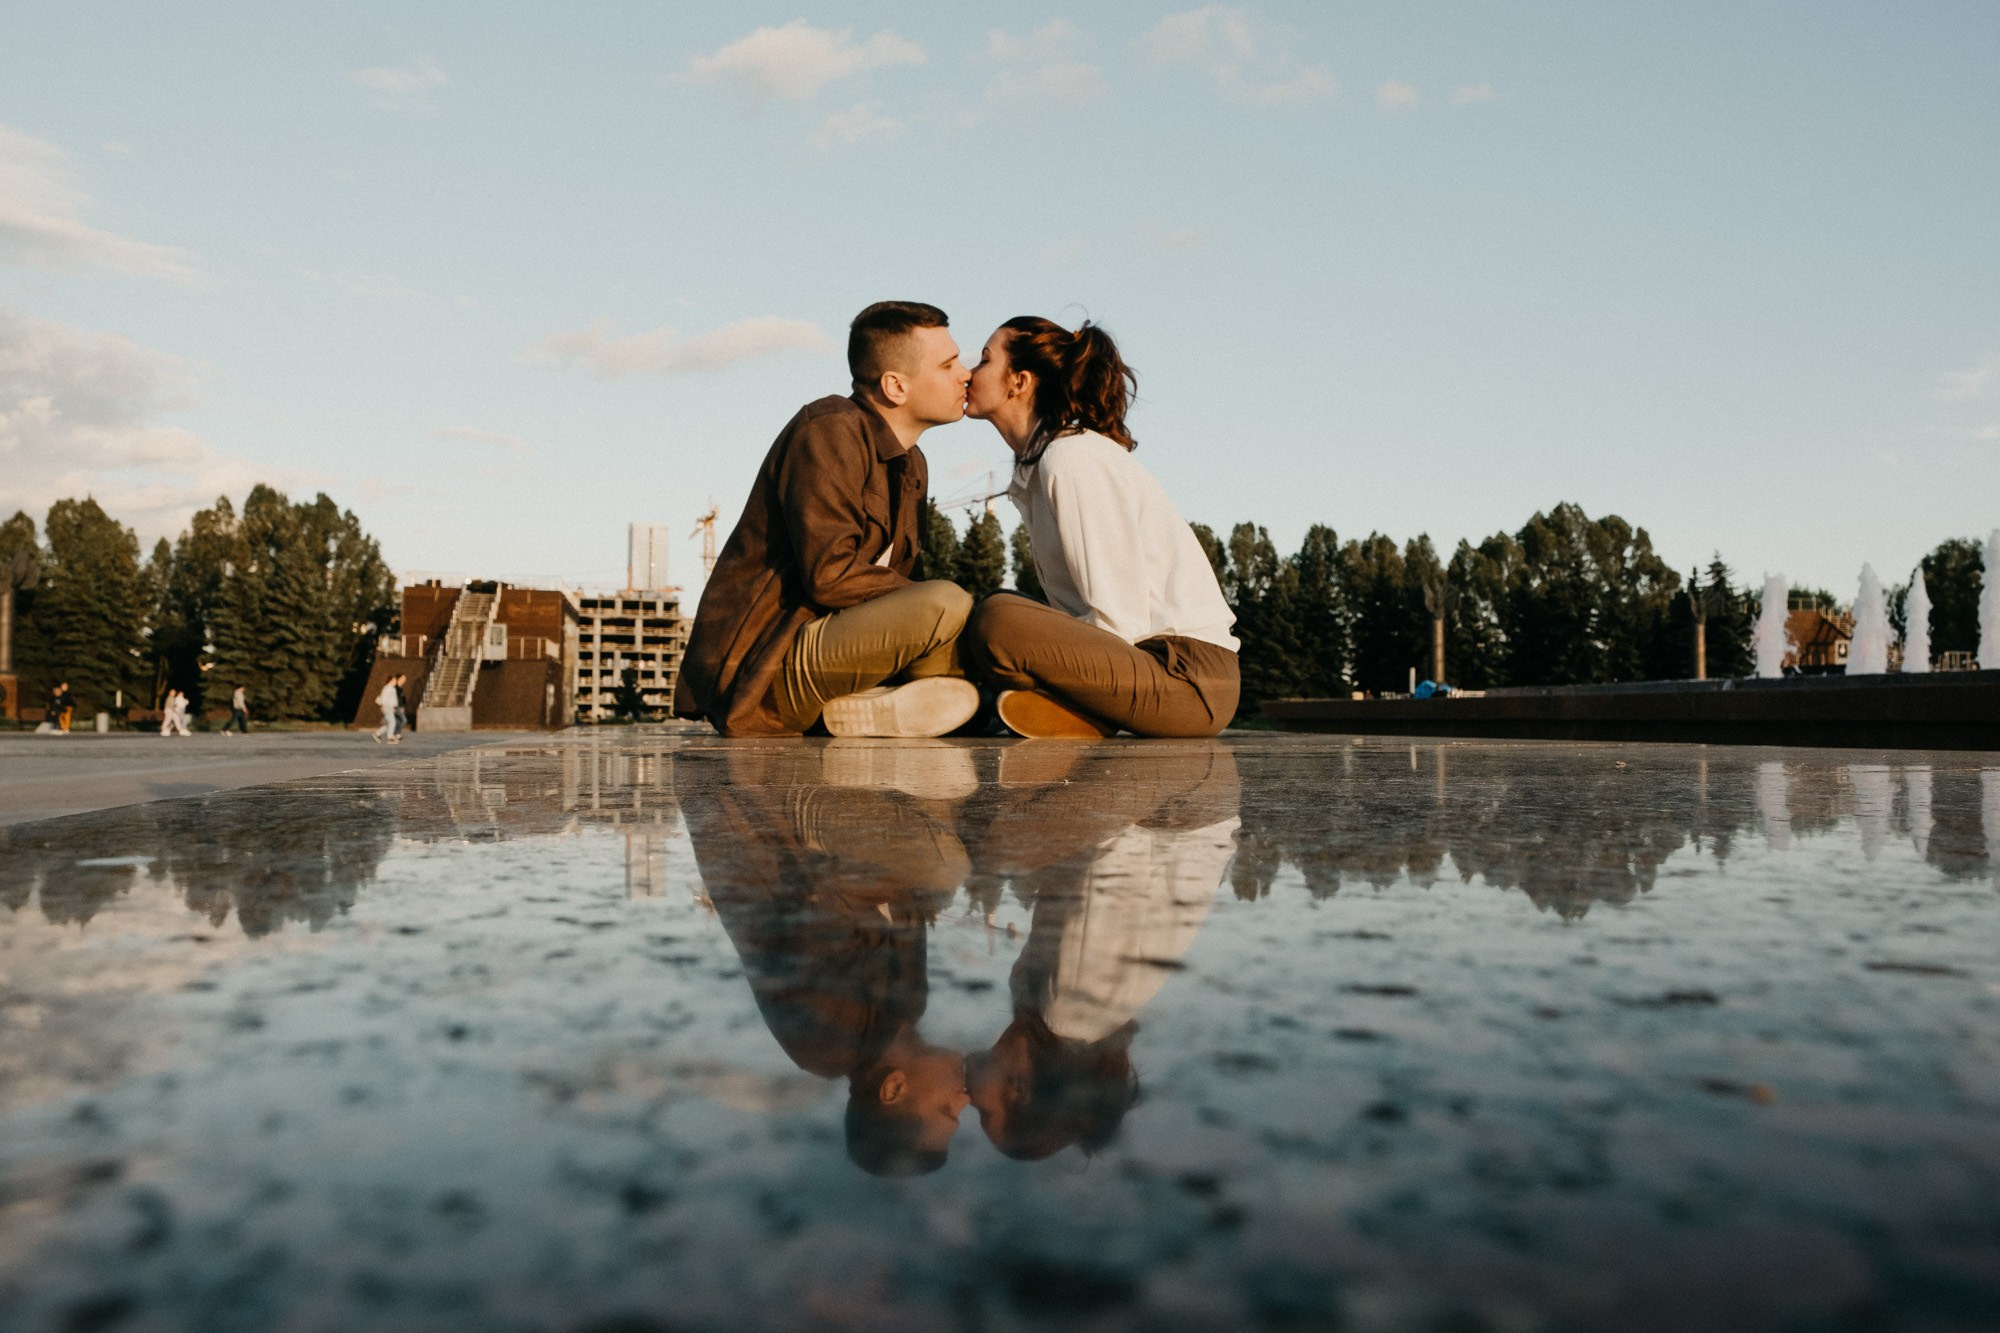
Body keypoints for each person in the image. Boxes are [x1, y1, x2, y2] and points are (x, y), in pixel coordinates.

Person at [674, 301, 980, 739]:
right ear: (895, 386)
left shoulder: (913, 464)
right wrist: (933, 602)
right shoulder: (829, 430)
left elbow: (901, 588)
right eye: (949, 364)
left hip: (830, 650)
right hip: (764, 671)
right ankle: (884, 705)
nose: (965, 374)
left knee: (964, 616)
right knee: (945, 604)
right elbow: (830, 577)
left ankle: (890, 705)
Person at [961, 317, 1241, 738]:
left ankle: (1061, 712)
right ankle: (1066, 716)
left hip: (1188, 679)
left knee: (998, 619)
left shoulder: (1071, 457)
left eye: (983, 359)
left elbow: (1118, 620)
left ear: (1018, 381)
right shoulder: (1040, 468)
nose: (968, 372)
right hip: (1146, 670)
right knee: (994, 612)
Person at [372, 674, 403, 744]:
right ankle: (390, 737)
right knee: (392, 722)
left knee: (388, 723)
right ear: (390, 680)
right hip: (387, 707)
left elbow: (393, 700)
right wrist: (384, 706)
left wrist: (394, 708)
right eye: (394, 680)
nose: (396, 681)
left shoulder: (392, 688)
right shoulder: (387, 688)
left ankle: (377, 734)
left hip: (391, 708)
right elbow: (384, 698)